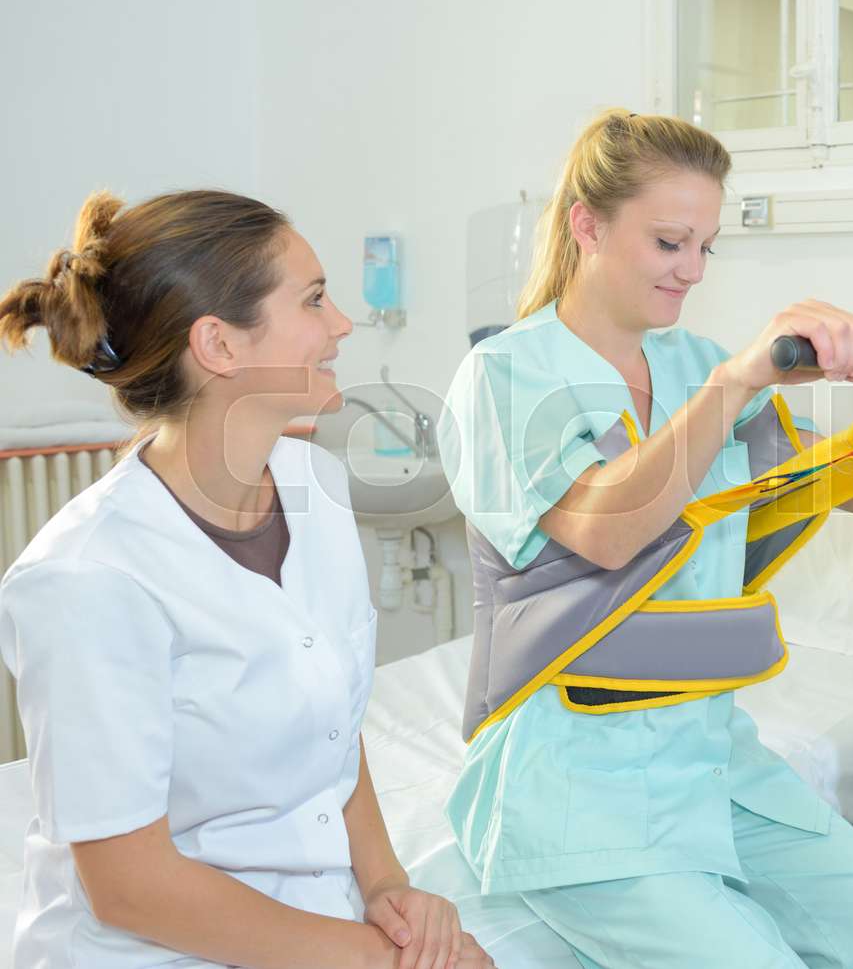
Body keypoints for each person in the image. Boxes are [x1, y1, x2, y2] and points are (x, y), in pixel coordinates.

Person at [438, 110, 853, 969]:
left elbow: (840, 492)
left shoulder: (693, 362)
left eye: (705, 247)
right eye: (670, 242)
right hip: (577, 782)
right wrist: (737, 379)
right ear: (587, 225)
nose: (691, 270)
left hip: (712, 758)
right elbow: (604, 531)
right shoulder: (505, 375)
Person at [0, 190, 492, 969]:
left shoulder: (315, 487)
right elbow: (129, 885)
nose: (341, 325)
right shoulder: (86, 576)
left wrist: (388, 889)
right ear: (220, 346)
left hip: (316, 921)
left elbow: (333, 726)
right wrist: (374, 959)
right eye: (315, 300)